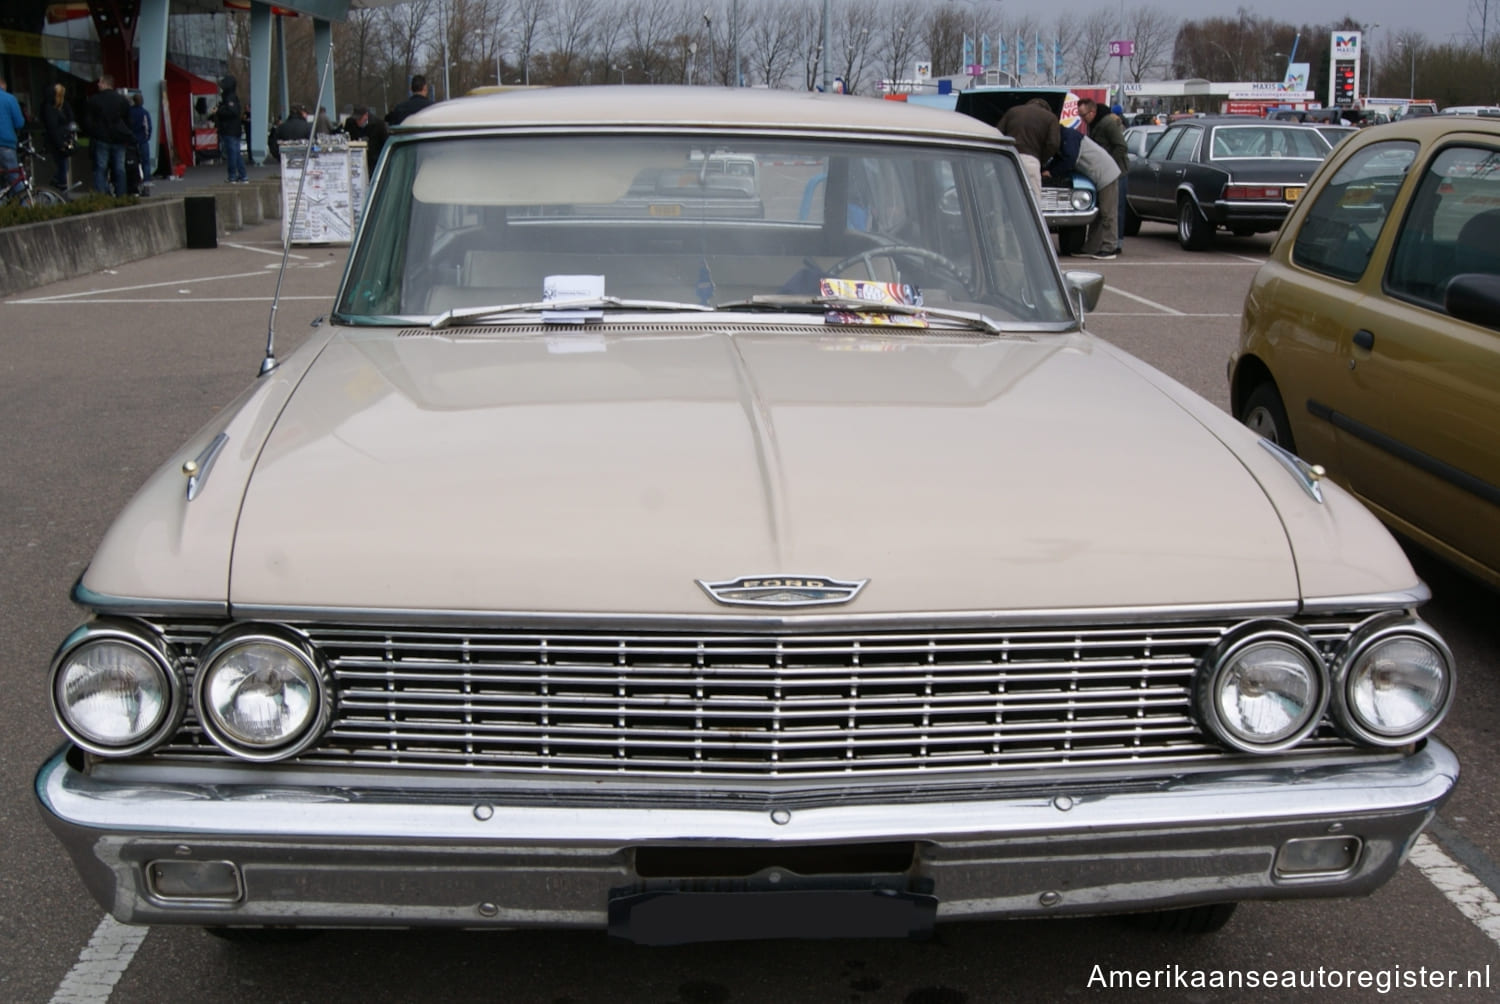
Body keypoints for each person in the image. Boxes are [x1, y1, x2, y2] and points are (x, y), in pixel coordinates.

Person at [1079, 98, 1129, 254]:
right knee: (1102, 209)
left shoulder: (1107, 123)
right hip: (1105, 172)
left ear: (1092, 112)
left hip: (1116, 172)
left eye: (1084, 115)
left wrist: (1108, 164)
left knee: (1112, 209)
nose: (1082, 119)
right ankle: (1096, 245)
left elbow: (1121, 146)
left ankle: (1114, 245)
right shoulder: (1093, 124)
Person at [1073, 131, 1123, 260]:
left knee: (1108, 212)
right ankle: (1092, 247)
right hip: (1101, 175)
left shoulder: (1070, 140)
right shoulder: (1073, 138)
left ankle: (1110, 247)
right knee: (1099, 215)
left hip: (1106, 176)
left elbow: (1069, 159)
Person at [998, 97, 1060, 200]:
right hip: (1031, 161)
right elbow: (1053, 144)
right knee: (1033, 198)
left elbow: (998, 133)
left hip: (1008, 159)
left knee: (1007, 197)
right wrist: (1041, 159)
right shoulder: (1051, 118)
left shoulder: (1013, 111)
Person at [84, 73, 133, 196]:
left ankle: (102, 195)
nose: (98, 84)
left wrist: (94, 132)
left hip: (101, 138)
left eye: (100, 82)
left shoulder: (94, 100)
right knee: (120, 169)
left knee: (101, 168)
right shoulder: (122, 100)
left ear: (105, 84)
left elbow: (88, 121)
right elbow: (128, 120)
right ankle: (121, 194)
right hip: (119, 139)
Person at [213, 75, 248, 183]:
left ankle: (232, 175)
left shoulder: (229, 97)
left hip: (229, 129)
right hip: (233, 129)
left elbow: (233, 112)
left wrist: (218, 111)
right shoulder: (231, 97)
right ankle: (242, 176)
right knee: (236, 153)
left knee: (232, 154)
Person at [41, 83, 76, 191]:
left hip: (61, 138)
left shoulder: (61, 105)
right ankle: (59, 186)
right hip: (57, 140)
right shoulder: (50, 107)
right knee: (63, 165)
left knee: (64, 166)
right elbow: (53, 127)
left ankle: (59, 184)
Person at [0, 76, 28, 200]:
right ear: (2, 85)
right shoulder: (9, 98)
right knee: (15, 179)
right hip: (6, 144)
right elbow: (19, 123)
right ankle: (26, 209)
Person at [128, 91, 152, 183]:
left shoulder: (129, 112)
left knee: (133, 162)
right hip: (142, 140)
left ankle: (135, 180)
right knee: (145, 162)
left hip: (131, 141)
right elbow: (148, 127)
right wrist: (147, 137)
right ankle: (146, 180)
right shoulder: (144, 112)